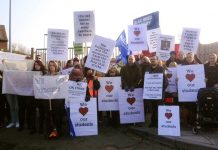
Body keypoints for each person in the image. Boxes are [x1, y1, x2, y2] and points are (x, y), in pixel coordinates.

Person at [144, 55, 168, 128]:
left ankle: (159, 123)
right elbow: (145, 80)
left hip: (159, 94)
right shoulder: (147, 69)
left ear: (157, 60)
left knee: (158, 108)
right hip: (150, 93)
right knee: (152, 109)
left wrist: (161, 90)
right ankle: (153, 122)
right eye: (151, 59)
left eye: (154, 59)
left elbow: (166, 82)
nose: (153, 60)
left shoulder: (161, 69)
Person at [44, 61, 64, 139]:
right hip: (48, 99)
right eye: (50, 65)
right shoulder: (45, 76)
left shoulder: (60, 75)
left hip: (57, 99)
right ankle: (49, 132)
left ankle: (58, 132)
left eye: (53, 65)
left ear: (56, 66)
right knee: (48, 116)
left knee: (57, 116)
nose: (51, 66)